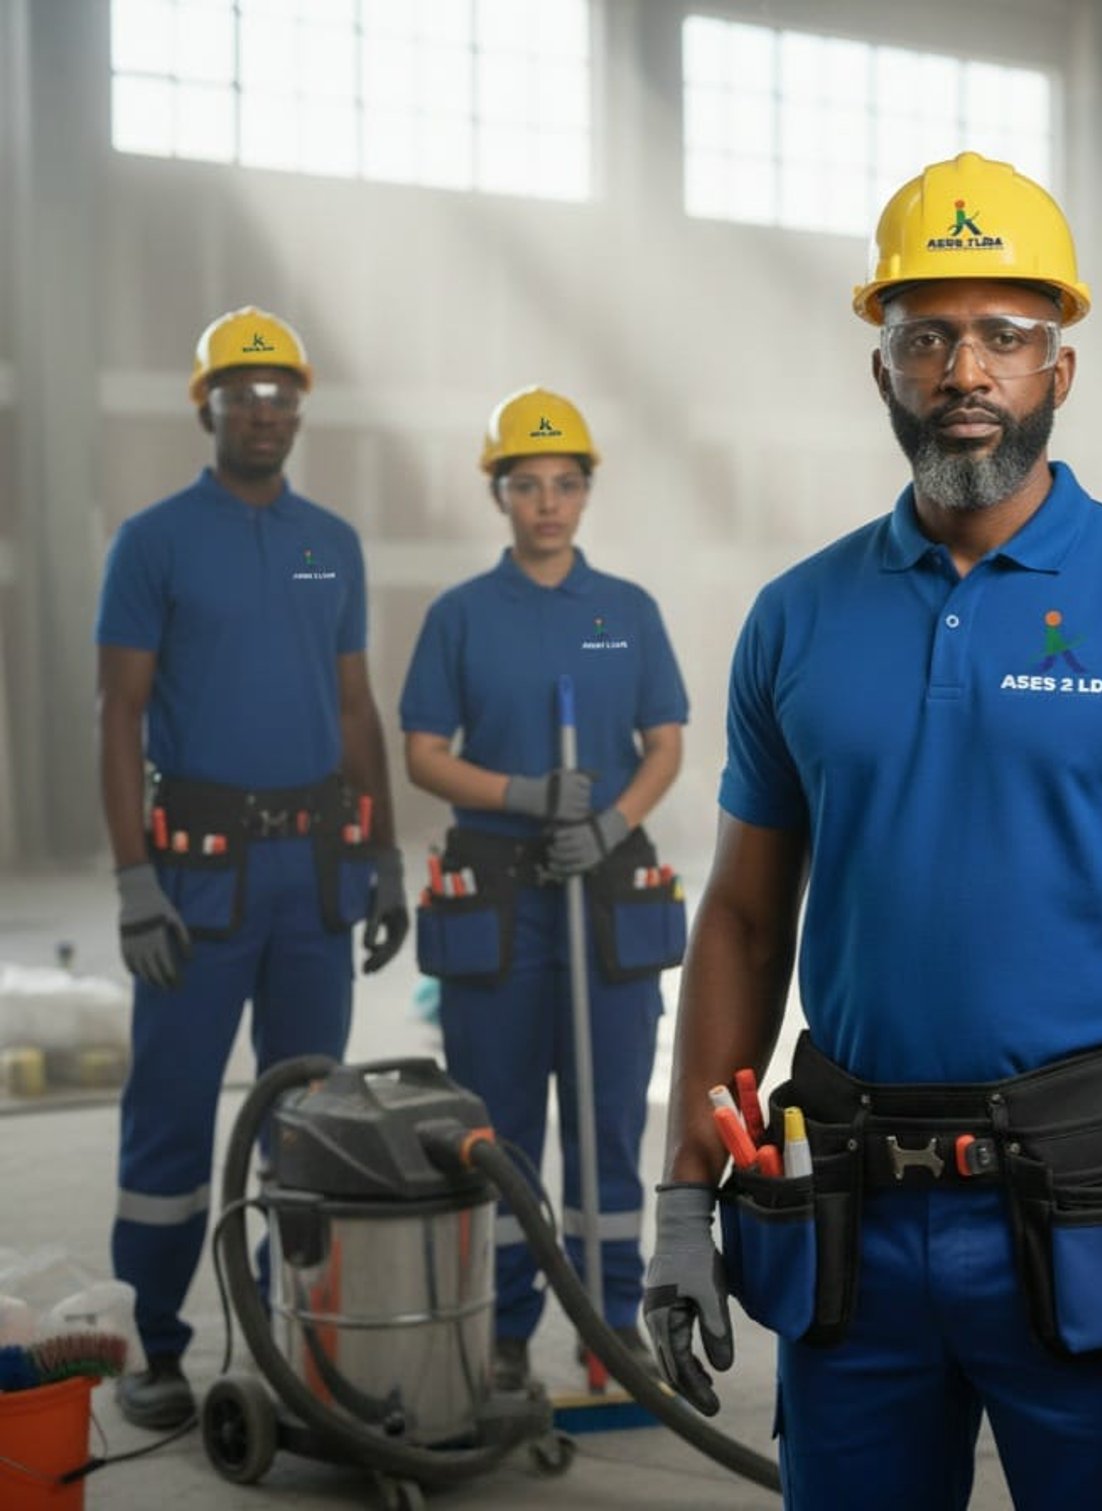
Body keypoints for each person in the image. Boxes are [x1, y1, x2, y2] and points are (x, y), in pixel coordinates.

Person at [640, 151, 1102, 1510]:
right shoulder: (796, 615)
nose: (965, 370)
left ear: (1061, 367)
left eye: (1005, 334)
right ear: (881, 369)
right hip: (852, 1213)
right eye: (925, 335)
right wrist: (683, 1198)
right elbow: (745, 921)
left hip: (1091, 1206)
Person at [96, 305, 409, 1428]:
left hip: (313, 876)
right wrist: (135, 881)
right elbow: (118, 714)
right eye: (243, 395)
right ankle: (156, 1345)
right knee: (172, 1114)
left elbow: (355, 706)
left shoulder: (334, 541)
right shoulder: (154, 542)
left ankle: (297, 1343)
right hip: (200, 877)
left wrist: (383, 851)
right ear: (210, 408)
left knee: (312, 1117)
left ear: (299, 411)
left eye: (281, 397)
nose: (265, 413)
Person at [400, 386, 688, 1391]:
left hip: (605, 894)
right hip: (497, 897)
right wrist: (522, 793)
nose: (548, 503)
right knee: (502, 1122)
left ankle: (612, 1318)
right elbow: (424, 753)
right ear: (500, 494)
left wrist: (608, 821)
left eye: (566, 483)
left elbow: (664, 744)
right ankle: (507, 1327)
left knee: (608, 1119)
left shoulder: (626, 611)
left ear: (587, 491)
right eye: (527, 485)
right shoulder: (462, 616)